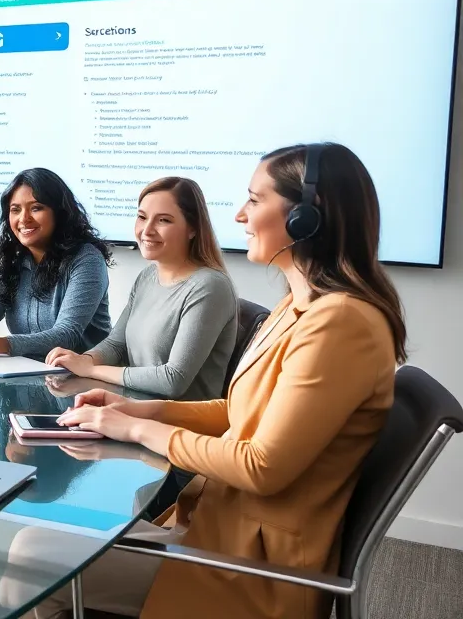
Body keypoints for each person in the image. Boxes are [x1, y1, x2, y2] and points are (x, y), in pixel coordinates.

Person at [48, 143, 405, 619]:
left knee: (33, 558)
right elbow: (240, 413)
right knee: (50, 540)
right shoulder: (298, 307)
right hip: (215, 526)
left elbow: (261, 466)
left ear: (306, 217)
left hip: (252, 568)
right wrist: (135, 408)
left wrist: (136, 429)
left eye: (255, 200)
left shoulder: (341, 323)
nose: (239, 215)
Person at [45, 177, 238, 400]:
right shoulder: (147, 277)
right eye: (142, 217)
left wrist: (90, 370)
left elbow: (173, 380)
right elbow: (116, 345)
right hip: (134, 409)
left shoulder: (210, 287)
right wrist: (83, 360)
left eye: (163, 220)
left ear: (193, 228)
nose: (147, 230)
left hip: (175, 419)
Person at [0, 168, 112, 359]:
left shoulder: (87, 259)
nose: (24, 219)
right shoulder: (13, 260)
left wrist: (3, 345)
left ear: (59, 212)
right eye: (15, 210)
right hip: (27, 369)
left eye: (36, 208)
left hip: (82, 372)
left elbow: (67, 334)